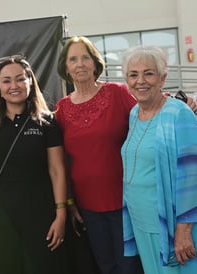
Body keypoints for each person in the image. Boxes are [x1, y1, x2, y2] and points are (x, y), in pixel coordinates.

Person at [0, 56, 70, 274]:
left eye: (20, 79)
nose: (14, 86)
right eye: (6, 81)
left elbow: (57, 171)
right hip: (2, 216)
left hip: (41, 214)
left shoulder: (47, 122)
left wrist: (61, 215)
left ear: (30, 82)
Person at [121, 45, 197, 273]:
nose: (140, 81)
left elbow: (195, 178)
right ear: (127, 80)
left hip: (175, 226)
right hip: (143, 223)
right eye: (134, 75)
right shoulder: (134, 113)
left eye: (149, 73)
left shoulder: (179, 113)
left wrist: (183, 232)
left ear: (162, 78)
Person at [55, 36, 144, 274]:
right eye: (73, 59)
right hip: (88, 208)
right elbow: (62, 161)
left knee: (130, 268)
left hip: (127, 201)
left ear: (95, 63)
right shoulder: (62, 109)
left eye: (85, 57)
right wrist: (70, 201)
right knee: (106, 267)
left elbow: (147, 122)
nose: (80, 64)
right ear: (65, 67)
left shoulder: (117, 93)